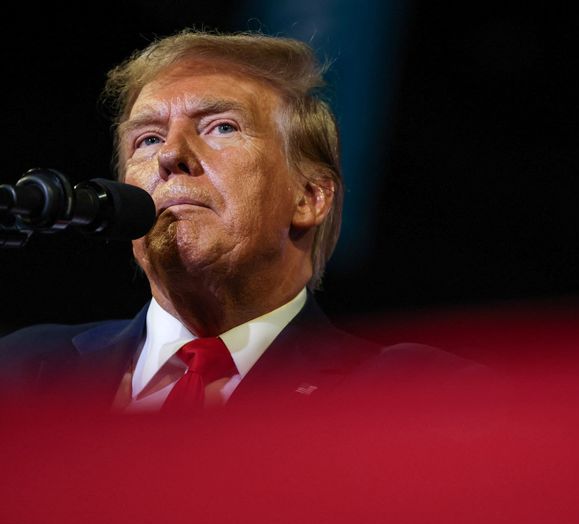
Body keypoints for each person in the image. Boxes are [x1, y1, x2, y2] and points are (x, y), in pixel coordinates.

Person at [0, 27, 487, 414]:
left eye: (221, 127)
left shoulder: (413, 395)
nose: (171, 154)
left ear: (309, 197)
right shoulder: (23, 372)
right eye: (146, 139)